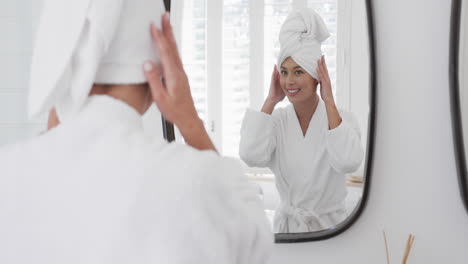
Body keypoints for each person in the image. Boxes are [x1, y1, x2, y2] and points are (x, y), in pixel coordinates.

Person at [0, 0, 272, 263]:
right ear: (161, 63)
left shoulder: (9, 172)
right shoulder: (199, 181)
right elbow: (252, 238)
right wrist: (189, 119)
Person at [239, 8, 364, 233]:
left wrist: (329, 101)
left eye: (298, 72)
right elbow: (250, 155)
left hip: (331, 232)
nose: (289, 81)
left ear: (316, 76)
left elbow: (348, 162)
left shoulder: (342, 119)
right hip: (288, 232)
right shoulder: (276, 121)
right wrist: (270, 100)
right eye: (284, 72)